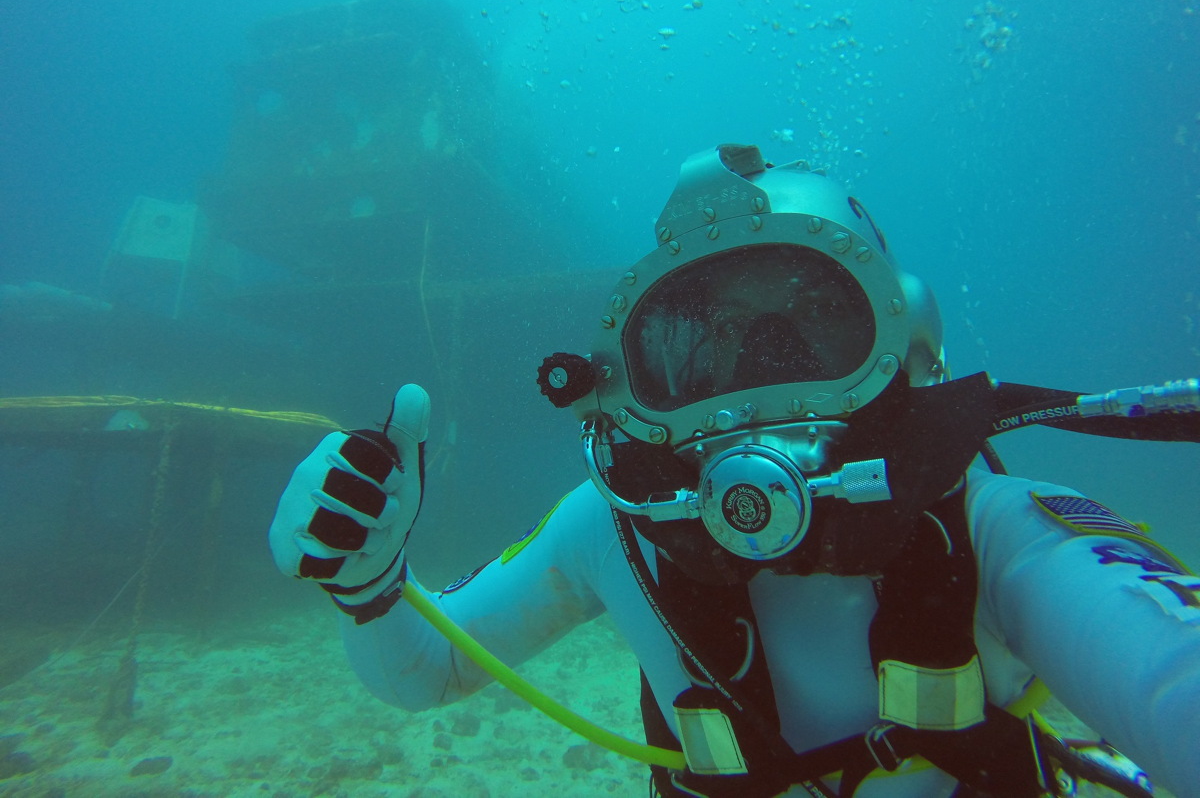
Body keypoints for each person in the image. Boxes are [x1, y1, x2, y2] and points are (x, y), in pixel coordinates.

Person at [269, 144, 1200, 797]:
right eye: (704, 349)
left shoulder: (988, 523)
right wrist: (369, 587)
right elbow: (426, 673)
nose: (754, 389)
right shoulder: (614, 532)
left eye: (807, 329)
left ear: (900, 348)